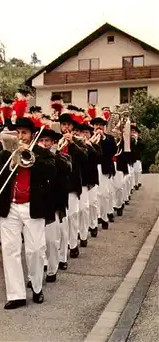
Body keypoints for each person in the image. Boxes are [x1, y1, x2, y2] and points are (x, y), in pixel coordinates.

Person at [0, 117, 55, 309]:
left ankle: (36, 287)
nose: (20, 136)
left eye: (24, 133)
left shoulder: (42, 153)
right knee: (10, 250)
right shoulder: (4, 153)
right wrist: (9, 162)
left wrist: (30, 157)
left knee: (35, 250)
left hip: (32, 206)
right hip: (9, 206)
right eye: (17, 133)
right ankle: (16, 294)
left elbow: (52, 172)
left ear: (32, 135)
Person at [38, 127, 69, 282]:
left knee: (51, 240)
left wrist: (52, 154)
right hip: (37, 203)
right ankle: (38, 269)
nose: (44, 144)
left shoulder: (61, 158)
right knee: (37, 242)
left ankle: (52, 268)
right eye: (41, 141)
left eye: (47, 141)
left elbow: (66, 169)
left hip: (54, 204)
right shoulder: (34, 157)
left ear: (53, 143)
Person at [58, 113, 87, 260]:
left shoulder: (79, 141)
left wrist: (72, 144)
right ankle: (62, 250)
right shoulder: (55, 140)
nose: (66, 127)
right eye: (63, 124)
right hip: (59, 185)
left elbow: (84, 157)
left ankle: (73, 244)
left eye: (69, 125)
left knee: (73, 215)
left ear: (73, 127)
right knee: (62, 220)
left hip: (73, 184)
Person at [90, 115, 117, 230]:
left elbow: (113, 151)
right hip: (92, 168)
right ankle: (96, 218)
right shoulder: (89, 138)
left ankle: (105, 216)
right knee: (94, 196)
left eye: (101, 125)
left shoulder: (109, 138)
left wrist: (103, 139)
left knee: (104, 194)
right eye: (96, 125)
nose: (99, 127)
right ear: (93, 126)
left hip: (104, 168)